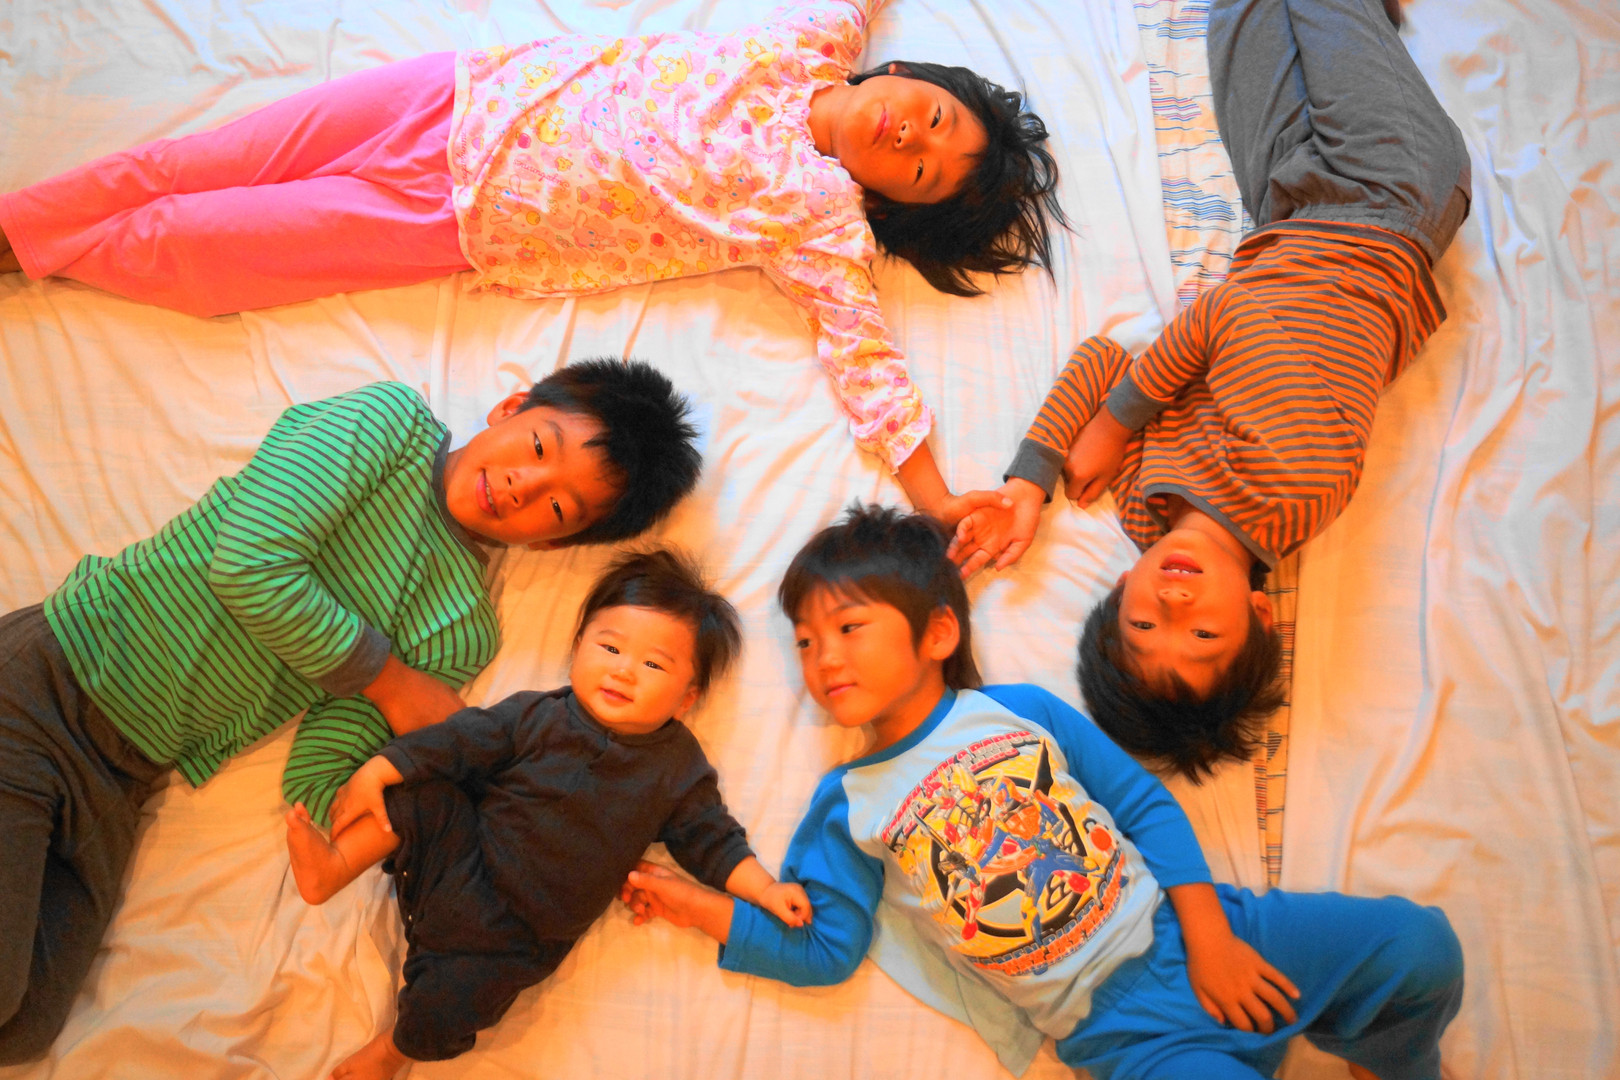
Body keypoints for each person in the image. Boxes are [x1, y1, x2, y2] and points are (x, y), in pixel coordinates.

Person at [0, 0, 1064, 526]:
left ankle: (45, 254)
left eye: (920, 173)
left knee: (205, 254)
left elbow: (867, 363)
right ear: (909, 75)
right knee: (196, 162)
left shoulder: (823, 222)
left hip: (456, 220)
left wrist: (935, 497)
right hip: (454, 96)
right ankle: (20, 225)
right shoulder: (809, 47)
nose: (910, 140)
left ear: (893, 204)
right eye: (932, 119)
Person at [0, 358, 703, 1064]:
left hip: (120, 777)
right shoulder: (388, 425)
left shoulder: (460, 627)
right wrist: (390, 681)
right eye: (540, 446)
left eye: (556, 509)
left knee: (26, 1026)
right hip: (53, 677)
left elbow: (325, 767)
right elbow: (248, 564)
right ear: (511, 407)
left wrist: (434, 815)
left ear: (552, 544)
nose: (526, 485)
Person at [621, 504, 1464, 1080]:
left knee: (1423, 951)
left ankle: (1387, 1060)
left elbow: (1143, 807)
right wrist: (699, 906)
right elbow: (823, 948)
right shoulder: (851, 803)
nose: (824, 658)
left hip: (1205, 929)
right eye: (805, 642)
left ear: (937, 633)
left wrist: (1210, 937)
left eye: (848, 628)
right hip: (1123, 1033)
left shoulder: (1016, 711)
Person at [947, 0, 1472, 778]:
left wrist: (1032, 477)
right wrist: (1115, 423)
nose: (1174, 608)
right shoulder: (1294, 483)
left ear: (1121, 591)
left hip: (1285, 210)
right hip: (1386, 194)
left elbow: (1102, 360)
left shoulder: (1145, 507)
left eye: (1143, 628)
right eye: (1202, 637)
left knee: (1235, 15)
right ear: (1260, 614)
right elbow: (1233, 314)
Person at [285, 549, 811, 1080]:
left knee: (452, 1006)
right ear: (578, 646)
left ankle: (392, 1051)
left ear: (685, 698)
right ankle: (334, 866)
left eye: (653, 665)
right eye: (610, 647)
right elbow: (459, 742)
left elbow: (712, 839)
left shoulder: (676, 769)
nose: (623, 670)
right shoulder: (536, 713)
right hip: (461, 862)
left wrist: (766, 890)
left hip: (517, 940)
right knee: (424, 788)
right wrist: (381, 768)